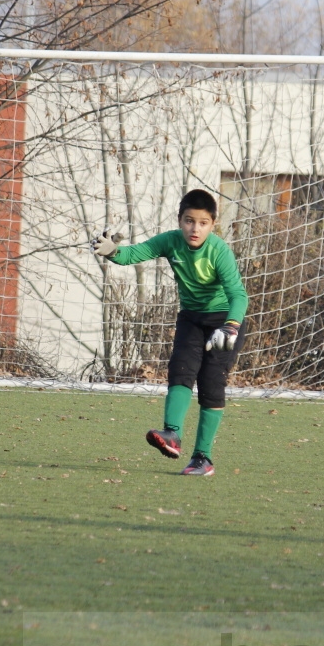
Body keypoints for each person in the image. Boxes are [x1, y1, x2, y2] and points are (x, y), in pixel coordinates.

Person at [90, 188, 248, 477]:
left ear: (213, 224)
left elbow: (238, 294)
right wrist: (112, 251)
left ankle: (202, 458)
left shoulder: (219, 251)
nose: (195, 228)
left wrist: (231, 326)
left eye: (203, 223)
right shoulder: (171, 241)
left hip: (224, 321)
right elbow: (135, 253)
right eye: (189, 221)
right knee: (180, 370)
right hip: (191, 319)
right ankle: (172, 435)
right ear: (179, 220)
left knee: (211, 385)